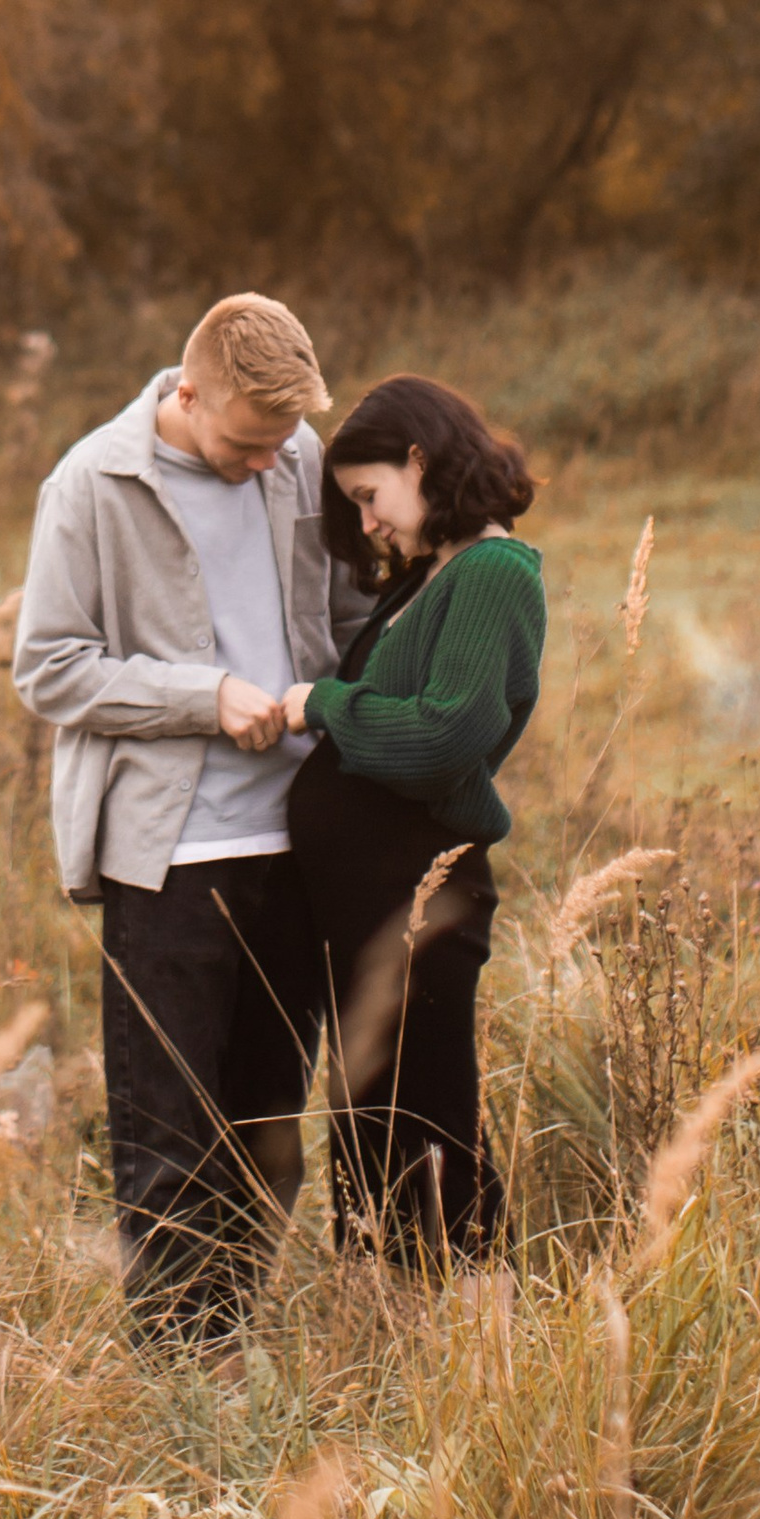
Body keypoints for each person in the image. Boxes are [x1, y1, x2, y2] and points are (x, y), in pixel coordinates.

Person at [11, 293, 366, 1348]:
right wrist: (202, 697)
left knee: (270, 1134)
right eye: (244, 441)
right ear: (189, 390)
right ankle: (181, 1378)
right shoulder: (89, 484)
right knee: (168, 1134)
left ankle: (230, 1338)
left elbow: (344, 620)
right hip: (166, 859)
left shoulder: (295, 456)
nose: (267, 463)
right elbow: (49, 667)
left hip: (295, 846)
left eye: (281, 443)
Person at [276, 372, 543, 1268]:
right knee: (373, 1132)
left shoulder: (494, 573)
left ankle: (482, 1359)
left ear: (421, 461)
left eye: (369, 496)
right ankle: (396, 1359)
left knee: (432, 1133)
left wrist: (324, 704)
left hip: (423, 902)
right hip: (374, 909)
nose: (367, 524)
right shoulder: (432, 575)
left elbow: (442, 736)